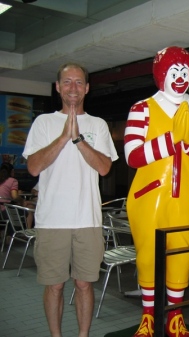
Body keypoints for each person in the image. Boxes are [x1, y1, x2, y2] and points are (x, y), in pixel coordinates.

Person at [124, 46, 189, 337]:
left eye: (184, 72)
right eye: (173, 71)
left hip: (188, 197)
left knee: (182, 256)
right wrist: (170, 140)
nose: (180, 78)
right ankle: (149, 317)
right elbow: (132, 155)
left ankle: (175, 317)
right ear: (161, 74)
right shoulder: (141, 108)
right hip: (149, 197)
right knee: (148, 256)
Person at [23, 62, 119, 337]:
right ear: (58, 87)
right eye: (67, 82)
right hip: (52, 221)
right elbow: (33, 167)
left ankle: (83, 336)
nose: (73, 87)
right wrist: (64, 136)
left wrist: (78, 139)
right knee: (54, 286)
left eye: (79, 82)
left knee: (84, 284)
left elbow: (103, 167)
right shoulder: (43, 123)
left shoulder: (98, 125)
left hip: (87, 220)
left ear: (87, 88)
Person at [0, 162, 24, 239]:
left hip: (1, 212)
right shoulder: (13, 181)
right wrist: (21, 198)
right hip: (5, 211)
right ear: (12, 171)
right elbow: (14, 196)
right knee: (26, 212)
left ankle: (5, 233)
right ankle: (25, 233)